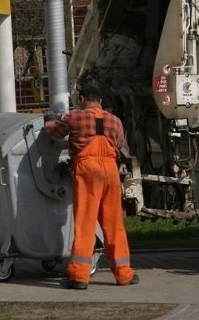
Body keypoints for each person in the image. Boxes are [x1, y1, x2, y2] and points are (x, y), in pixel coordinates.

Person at [44, 84, 138, 289]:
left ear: (82, 98)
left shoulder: (75, 116)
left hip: (87, 169)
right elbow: (120, 143)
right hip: (111, 171)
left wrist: (49, 119)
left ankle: (79, 276)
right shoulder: (115, 121)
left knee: (85, 223)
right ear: (101, 101)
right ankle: (124, 274)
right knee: (113, 223)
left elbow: (53, 133)